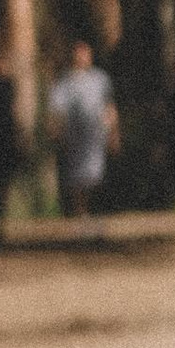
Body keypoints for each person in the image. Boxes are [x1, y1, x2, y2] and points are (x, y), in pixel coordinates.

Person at [46, 38, 118, 215]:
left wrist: (114, 132)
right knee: (76, 178)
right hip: (74, 138)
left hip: (95, 136)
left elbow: (109, 106)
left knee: (95, 175)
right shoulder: (64, 82)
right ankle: (80, 211)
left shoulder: (100, 79)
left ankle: (94, 210)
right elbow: (57, 111)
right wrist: (56, 132)